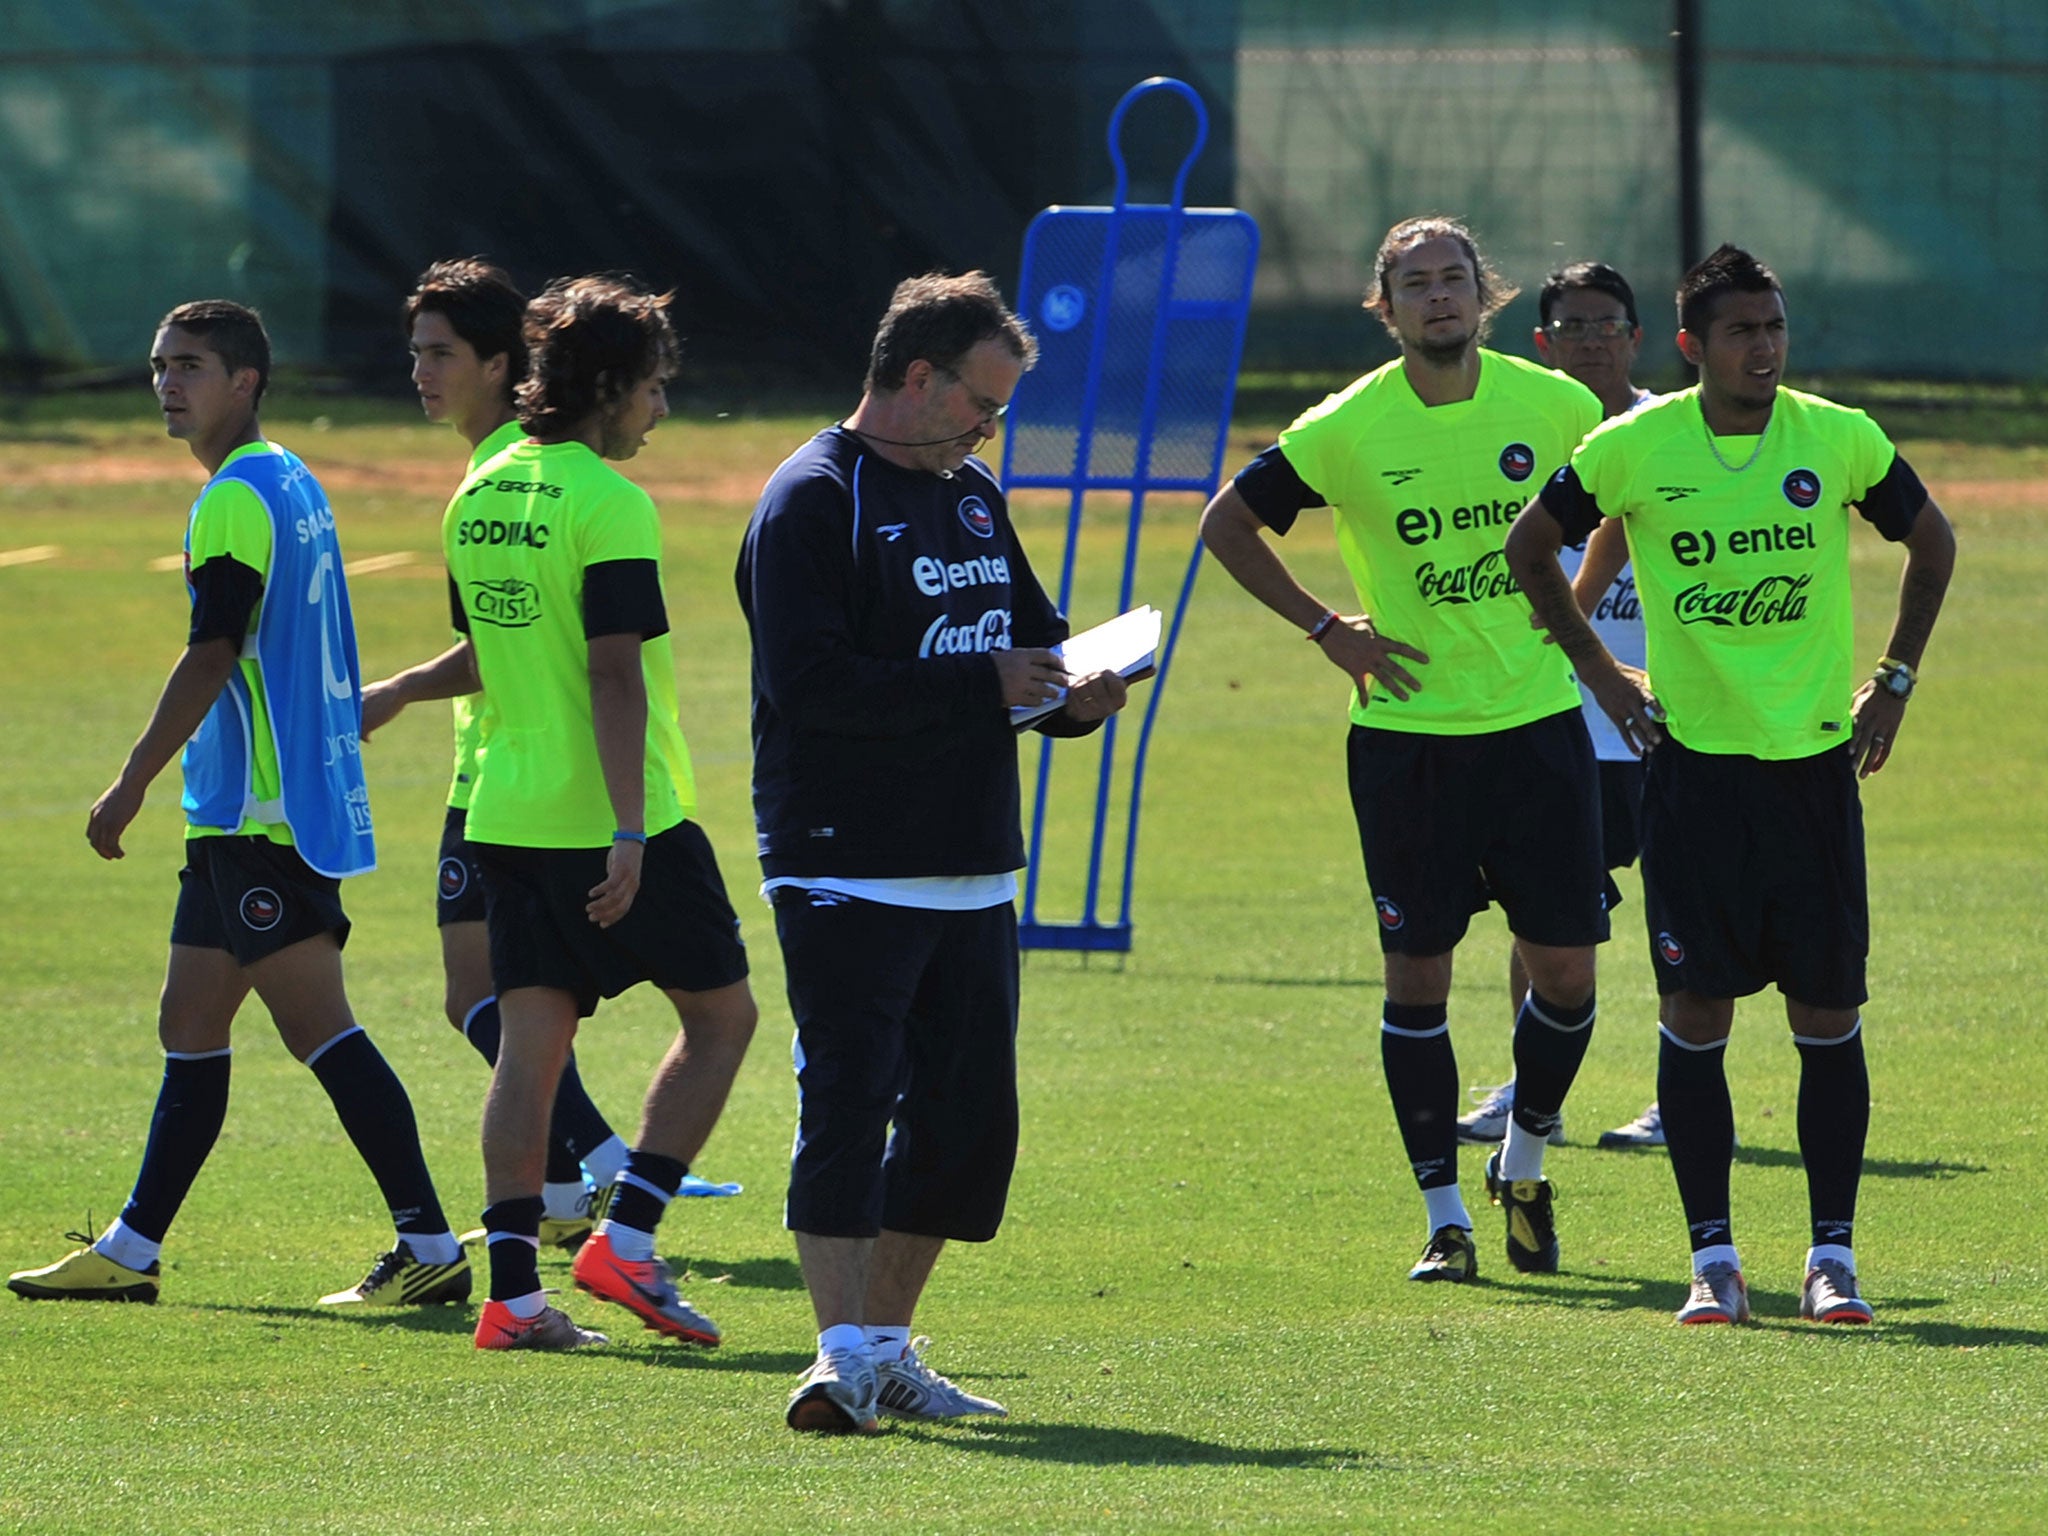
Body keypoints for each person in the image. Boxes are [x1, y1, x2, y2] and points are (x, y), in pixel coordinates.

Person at [1504, 244, 1955, 1325]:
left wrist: (1891, 681)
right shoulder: (1635, 446)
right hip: (1693, 780)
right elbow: (1530, 550)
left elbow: (1930, 541)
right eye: (1741, 331)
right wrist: (1602, 675)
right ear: (1690, 346)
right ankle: (1712, 1262)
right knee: (1692, 1011)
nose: (1762, 348)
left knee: (1825, 1014)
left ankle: (1830, 1261)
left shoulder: (1834, 437)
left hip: (1810, 776)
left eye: (1773, 327)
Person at [8, 300, 468, 1308]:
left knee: (322, 1030)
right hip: (246, 813)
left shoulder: (234, 499)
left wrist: (129, 778)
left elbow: (213, 650)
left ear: (246, 381)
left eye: (193, 367)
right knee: (190, 1018)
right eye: (160, 365)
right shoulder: (291, 478)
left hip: (265, 815)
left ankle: (430, 1247)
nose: (170, 385)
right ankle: (132, 1251)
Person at [738, 271, 1130, 1433]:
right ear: (916, 378)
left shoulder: (966, 497)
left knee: (966, 1122)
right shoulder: (812, 500)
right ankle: (835, 1356)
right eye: (980, 403)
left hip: (969, 861)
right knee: (852, 1103)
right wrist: (983, 684)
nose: (987, 429)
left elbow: (1027, 647)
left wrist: (1071, 694)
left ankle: (890, 1347)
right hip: (845, 856)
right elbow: (806, 688)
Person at [1199, 217, 1610, 1286]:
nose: (1437, 297)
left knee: (1565, 975)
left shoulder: (1556, 405)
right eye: (1414, 284)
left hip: (1534, 730)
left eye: (1453, 279)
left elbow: (1627, 493)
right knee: (1415, 980)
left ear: (1486, 294)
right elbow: (1225, 527)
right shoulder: (1343, 429)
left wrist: (1573, 613)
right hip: (1406, 745)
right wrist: (1327, 629)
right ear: (1384, 309)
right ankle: (1442, 1217)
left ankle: (1519, 1166)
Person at [372, 274, 760, 1352]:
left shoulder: (481, 488)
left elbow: (491, 658)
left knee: (528, 1049)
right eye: (653, 389)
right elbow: (613, 675)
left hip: (502, 810)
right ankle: (625, 1240)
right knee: (723, 1020)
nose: (661, 411)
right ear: (610, 388)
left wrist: (399, 689)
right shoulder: (607, 500)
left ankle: (513, 1300)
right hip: (610, 816)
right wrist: (632, 830)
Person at [361, 258, 634, 1252]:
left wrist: (393, 691)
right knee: (503, 999)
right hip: (514, 772)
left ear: (497, 362)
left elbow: (495, 650)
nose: (421, 372)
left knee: (484, 997)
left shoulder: (506, 477)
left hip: (507, 780)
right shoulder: (502, 466)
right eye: (414, 352)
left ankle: (602, 1168)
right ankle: (572, 1184)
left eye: (440, 354)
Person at [1456, 260, 1682, 1151]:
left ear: (1638, 337)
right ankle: (1527, 1085)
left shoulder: (1672, 432)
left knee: (1677, 912)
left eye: (1608, 324)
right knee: (1542, 913)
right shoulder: (1522, 433)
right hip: (1551, 718)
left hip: (1661, 719)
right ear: (1542, 343)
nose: (1592, 340)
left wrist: (1580, 612)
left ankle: (1679, 1090)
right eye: (1573, 327)